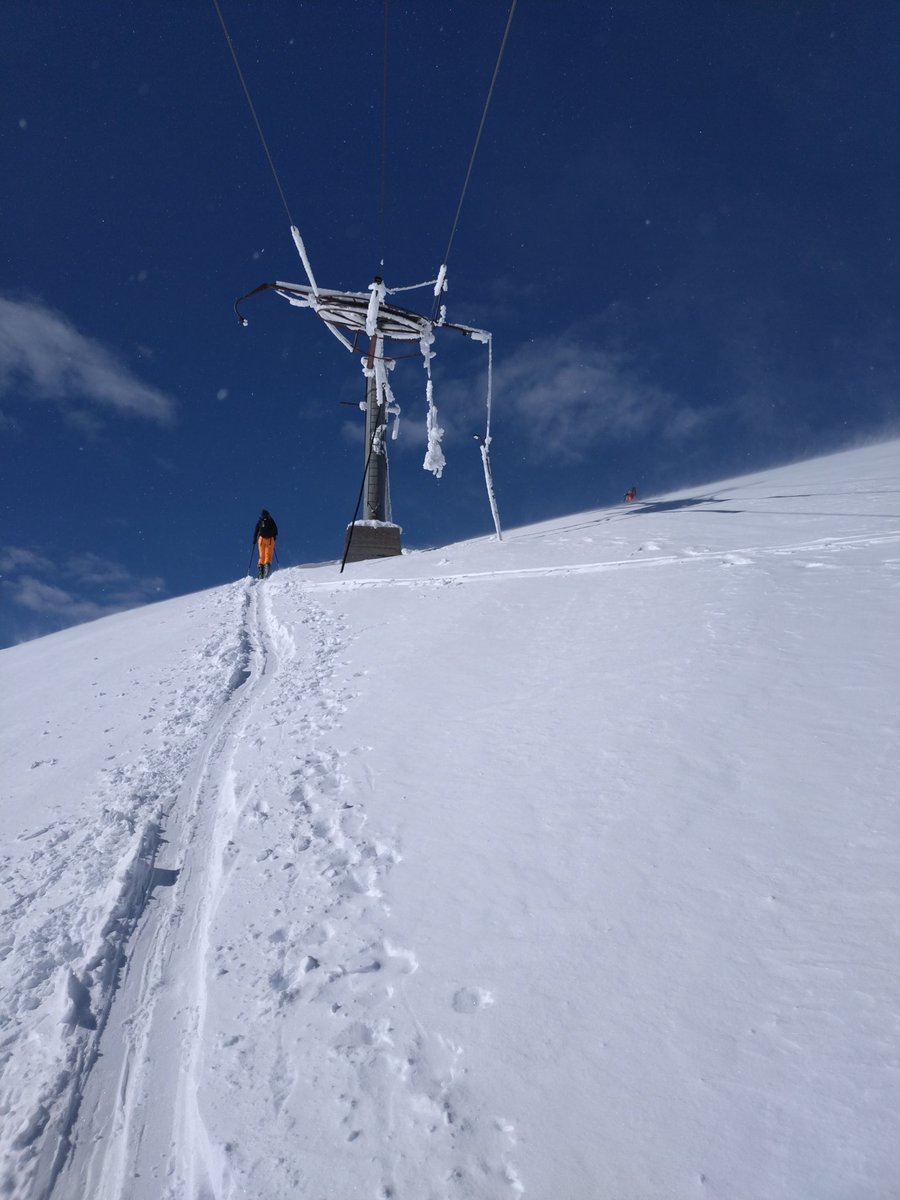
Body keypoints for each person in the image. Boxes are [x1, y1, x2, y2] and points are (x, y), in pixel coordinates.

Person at [252, 509, 278, 578]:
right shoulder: (271, 521)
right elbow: (276, 530)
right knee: (268, 555)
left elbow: (256, 531)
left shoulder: (260, 521)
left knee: (261, 556)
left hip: (261, 540)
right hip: (269, 540)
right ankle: (266, 569)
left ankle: (261, 571)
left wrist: (254, 539)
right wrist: (274, 537)